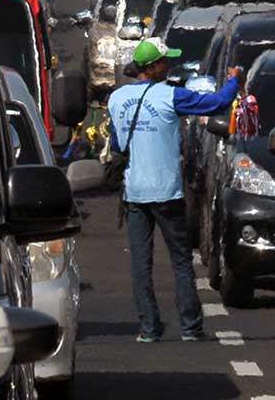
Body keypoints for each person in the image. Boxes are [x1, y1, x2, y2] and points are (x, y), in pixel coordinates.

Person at [108, 37, 242, 343]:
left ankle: (148, 328)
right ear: (153, 66)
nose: (168, 66)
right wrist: (235, 81)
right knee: (181, 261)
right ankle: (190, 327)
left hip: (134, 192)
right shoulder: (170, 96)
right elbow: (217, 104)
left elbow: (117, 142)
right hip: (166, 192)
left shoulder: (117, 99)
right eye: (164, 61)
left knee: (141, 265)